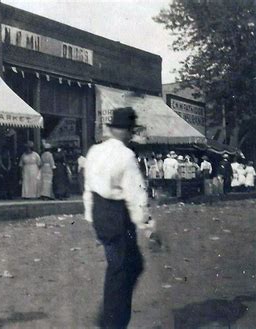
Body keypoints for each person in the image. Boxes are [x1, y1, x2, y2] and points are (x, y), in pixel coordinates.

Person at [83, 107, 156, 328]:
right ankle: (112, 321)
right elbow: (136, 195)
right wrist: (148, 226)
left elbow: (87, 187)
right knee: (122, 269)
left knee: (127, 265)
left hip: (99, 211)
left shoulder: (94, 151)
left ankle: (109, 316)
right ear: (127, 131)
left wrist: (91, 217)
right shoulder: (126, 156)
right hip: (117, 215)